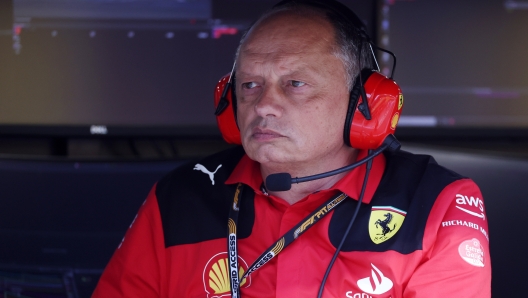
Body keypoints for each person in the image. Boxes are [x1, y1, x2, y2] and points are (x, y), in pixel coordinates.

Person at [92, 1, 491, 297]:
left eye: (295, 83)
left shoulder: (439, 204)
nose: (263, 104)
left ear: (365, 101)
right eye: (250, 85)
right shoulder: (179, 198)